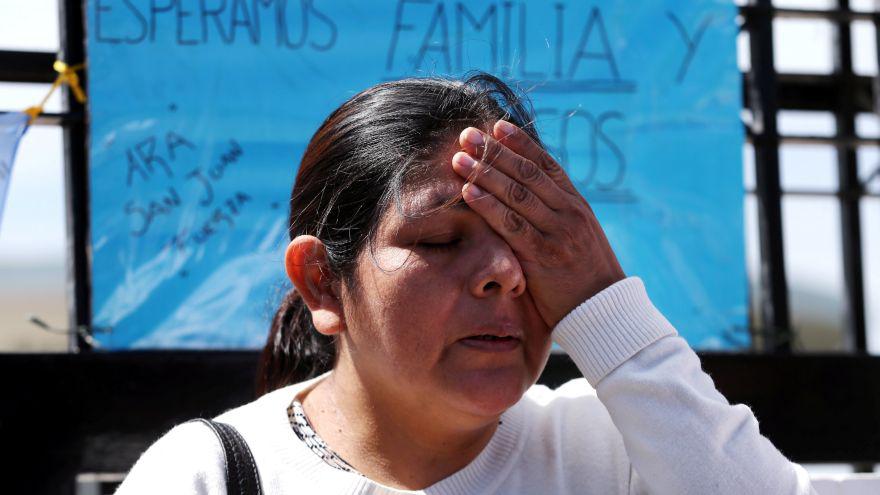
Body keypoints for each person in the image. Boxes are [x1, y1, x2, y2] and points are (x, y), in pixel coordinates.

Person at [115, 73, 817, 494]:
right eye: (439, 241)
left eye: (532, 241)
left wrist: (607, 305)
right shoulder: (211, 473)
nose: (504, 273)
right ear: (323, 283)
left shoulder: (612, 447)